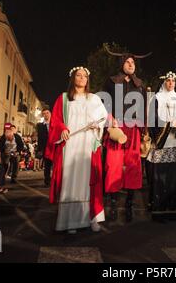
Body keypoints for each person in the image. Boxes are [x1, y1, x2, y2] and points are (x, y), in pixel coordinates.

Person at [45, 66, 106, 234]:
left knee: (88, 181)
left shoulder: (93, 98)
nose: (81, 78)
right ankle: (70, 221)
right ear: (73, 78)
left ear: (87, 80)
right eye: (78, 75)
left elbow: (103, 116)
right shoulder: (64, 98)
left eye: (84, 76)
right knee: (70, 180)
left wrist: (97, 124)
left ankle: (92, 218)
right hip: (70, 144)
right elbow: (56, 120)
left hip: (87, 143)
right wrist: (62, 128)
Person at [102, 48, 150, 222]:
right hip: (117, 128)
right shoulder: (111, 82)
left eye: (133, 62)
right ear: (121, 64)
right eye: (127, 62)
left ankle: (129, 205)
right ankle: (113, 204)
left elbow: (144, 108)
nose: (131, 65)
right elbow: (103, 103)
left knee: (134, 167)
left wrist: (144, 129)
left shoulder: (141, 85)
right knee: (113, 165)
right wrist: (110, 118)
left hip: (134, 129)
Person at [147, 71, 176, 222]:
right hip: (164, 143)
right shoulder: (157, 98)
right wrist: (169, 123)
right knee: (163, 178)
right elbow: (152, 120)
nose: (171, 83)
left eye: (173, 81)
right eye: (168, 81)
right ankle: (161, 211)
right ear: (164, 82)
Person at [36, 108, 52, 186]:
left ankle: (56, 180)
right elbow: (39, 138)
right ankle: (47, 181)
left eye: (47, 113)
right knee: (47, 165)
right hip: (46, 148)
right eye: (44, 113)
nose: (46, 115)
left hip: (55, 147)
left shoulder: (55, 123)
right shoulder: (40, 126)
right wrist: (39, 150)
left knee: (56, 165)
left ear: (50, 113)